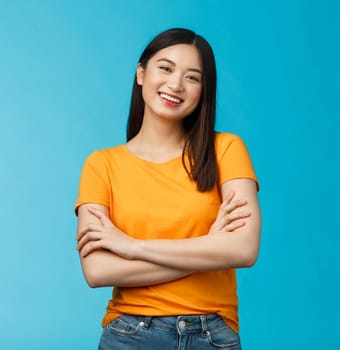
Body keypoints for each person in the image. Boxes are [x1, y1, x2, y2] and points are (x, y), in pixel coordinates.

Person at [74, 28, 260, 350]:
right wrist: (211, 247)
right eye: (166, 68)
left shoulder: (226, 150)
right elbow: (98, 270)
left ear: (204, 90)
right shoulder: (101, 165)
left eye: (193, 77)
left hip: (211, 334)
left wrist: (132, 247)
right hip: (128, 332)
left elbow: (243, 250)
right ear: (141, 73)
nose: (176, 85)